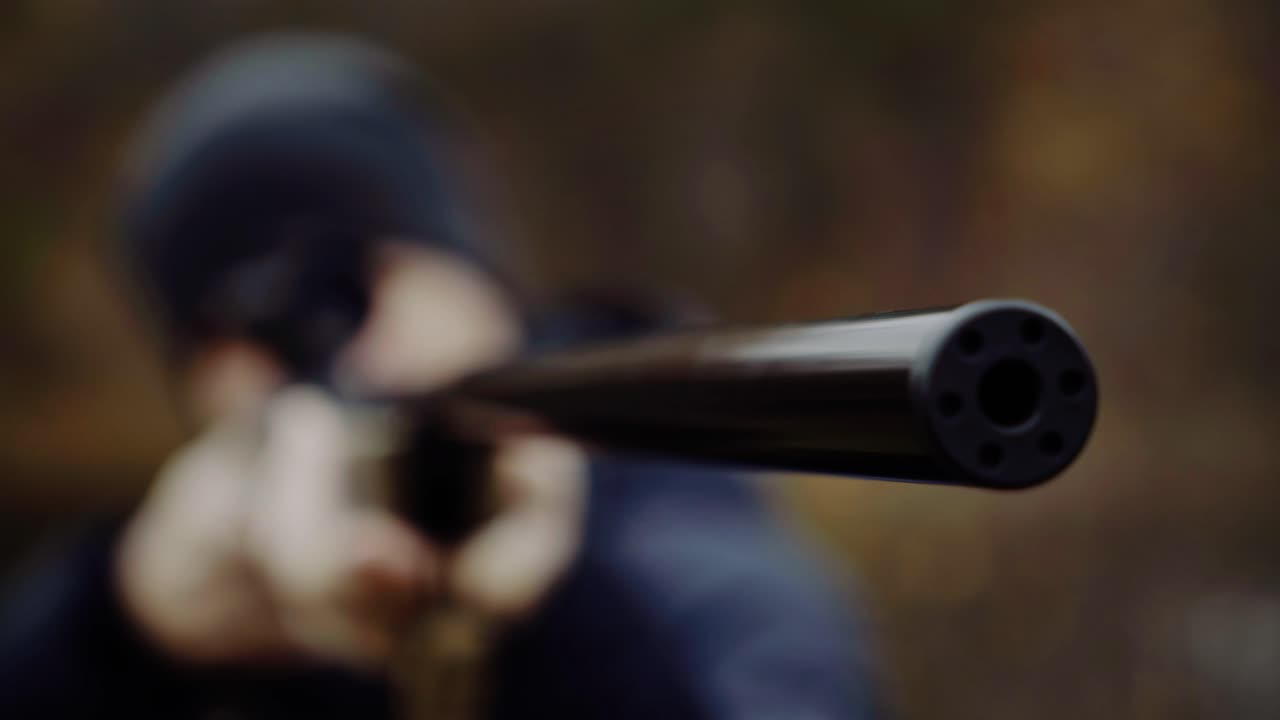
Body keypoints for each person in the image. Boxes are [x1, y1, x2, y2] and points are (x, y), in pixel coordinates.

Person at [0, 34, 879, 719]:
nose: (313, 356)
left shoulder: (690, 545)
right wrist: (121, 631)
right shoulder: (190, 592)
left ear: (469, 271)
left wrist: (544, 626)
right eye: (224, 333)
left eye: (341, 284)